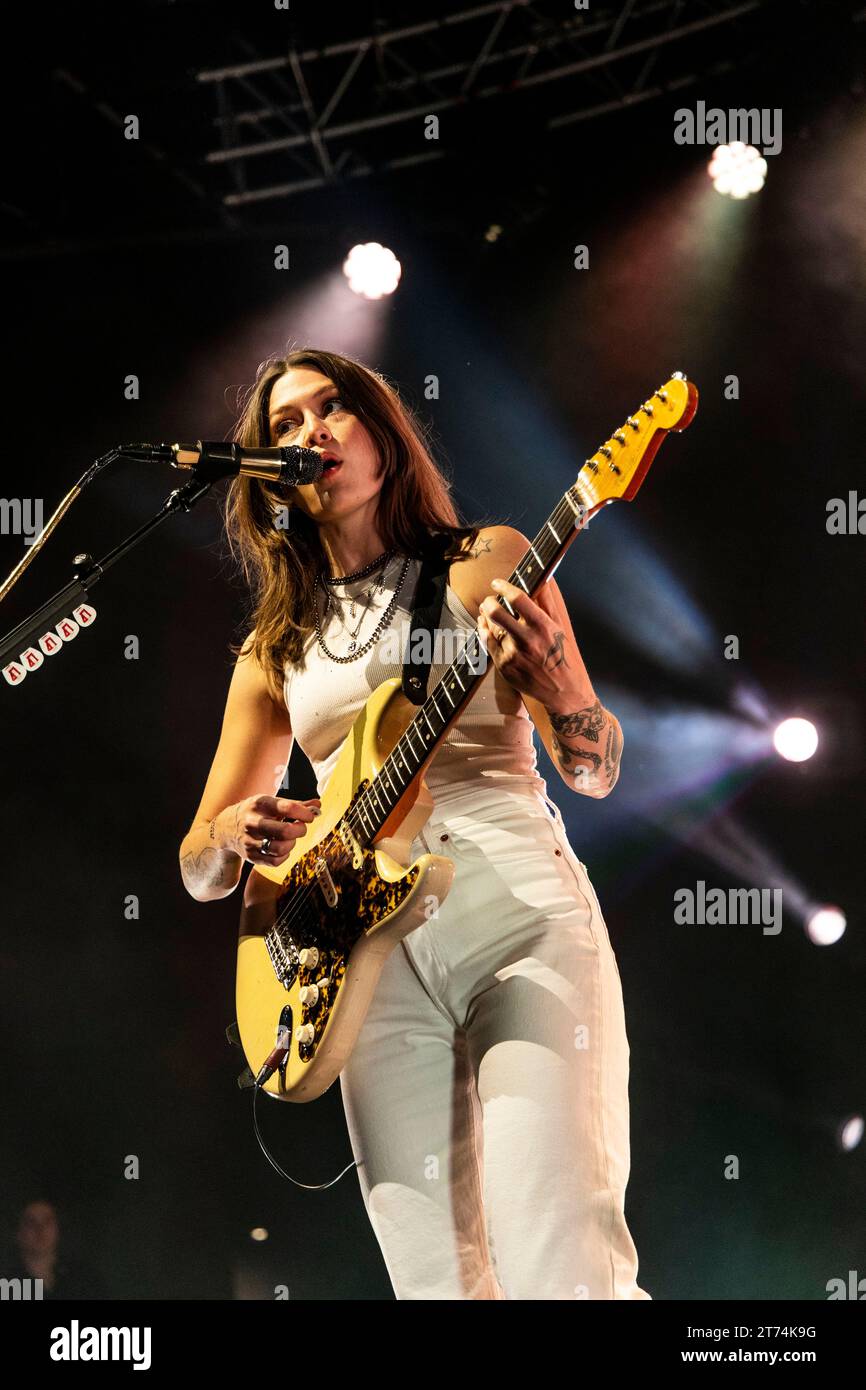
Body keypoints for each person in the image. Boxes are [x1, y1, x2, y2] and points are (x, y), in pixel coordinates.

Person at [179, 346, 651, 1301]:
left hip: (516, 918)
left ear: (382, 433)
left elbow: (592, 769)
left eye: (333, 409)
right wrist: (235, 829)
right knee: (436, 1284)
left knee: (559, 1259)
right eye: (284, 425)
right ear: (268, 474)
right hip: (367, 967)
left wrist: (563, 691)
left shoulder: (489, 561)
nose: (310, 434)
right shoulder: (274, 648)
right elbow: (198, 867)